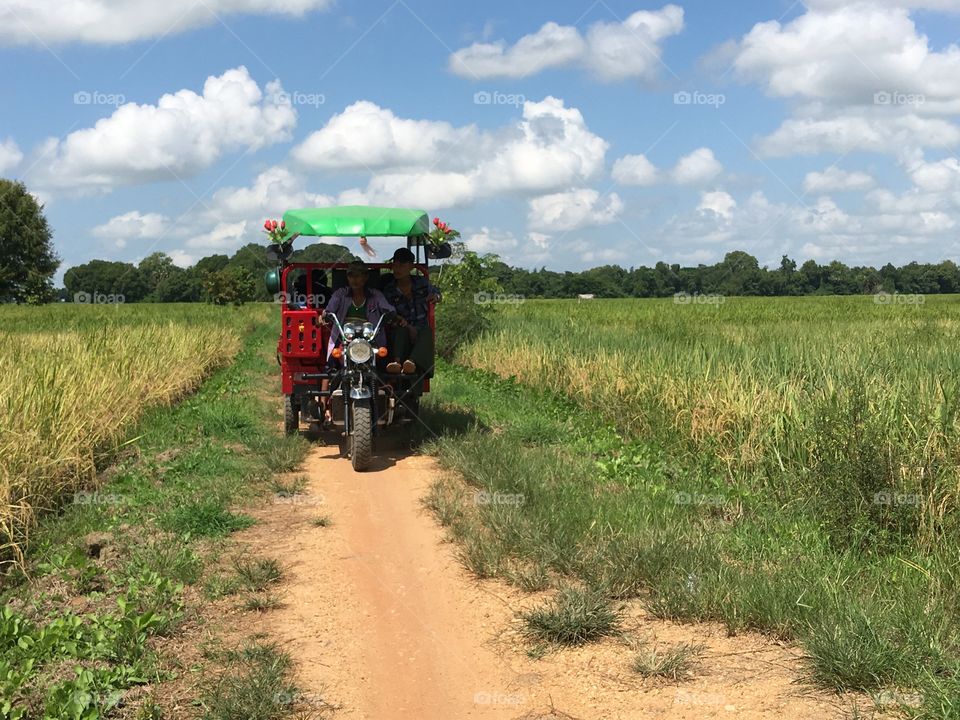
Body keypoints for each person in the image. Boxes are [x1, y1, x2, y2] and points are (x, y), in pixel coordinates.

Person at [320, 261, 400, 420]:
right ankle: (323, 406)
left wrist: (391, 313)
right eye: (351, 275)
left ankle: (393, 403)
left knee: (384, 365)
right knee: (330, 365)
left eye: (359, 275)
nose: (355, 279)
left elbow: (388, 308)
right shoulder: (340, 294)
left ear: (366, 277)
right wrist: (325, 315)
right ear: (347, 277)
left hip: (370, 340)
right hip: (345, 339)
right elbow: (330, 309)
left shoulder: (375, 295)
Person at [381, 247, 440, 377]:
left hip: (420, 328)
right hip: (400, 327)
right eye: (395, 265)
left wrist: (436, 297)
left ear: (411, 266)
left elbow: (437, 292)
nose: (397, 269)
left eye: (401, 265)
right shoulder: (389, 289)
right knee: (401, 331)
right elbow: (387, 313)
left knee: (427, 332)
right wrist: (408, 327)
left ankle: (411, 363)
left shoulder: (422, 283)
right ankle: (396, 363)